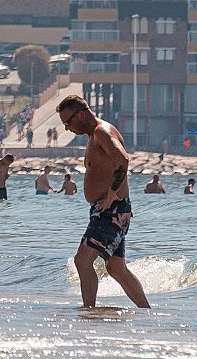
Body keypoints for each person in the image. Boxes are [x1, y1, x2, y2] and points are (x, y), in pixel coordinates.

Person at [57, 95, 149, 309]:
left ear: (80, 114)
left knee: (82, 261)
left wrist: (110, 194)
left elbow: (123, 159)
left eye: (68, 122)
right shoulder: (95, 135)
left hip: (112, 210)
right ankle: (146, 312)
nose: (68, 128)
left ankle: (89, 311)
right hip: (112, 210)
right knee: (116, 268)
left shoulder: (102, 132)